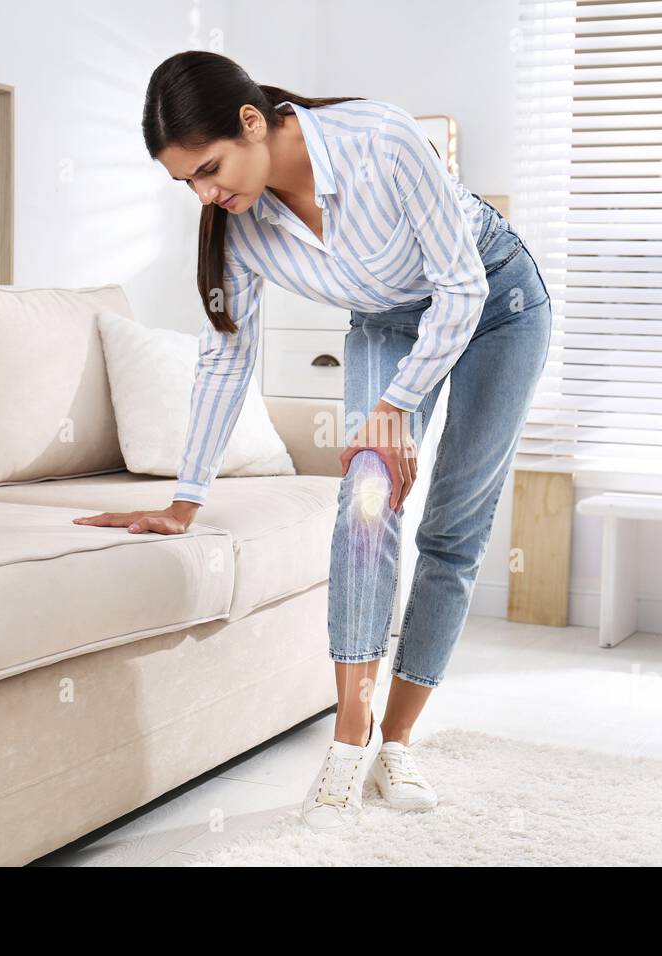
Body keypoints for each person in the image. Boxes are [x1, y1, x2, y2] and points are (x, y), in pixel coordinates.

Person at [73, 50, 552, 833]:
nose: (206, 193)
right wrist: (185, 500)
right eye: (187, 181)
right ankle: (349, 738)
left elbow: (461, 287)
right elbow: (227, 358)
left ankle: (398, 740)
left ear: (254, 122)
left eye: (210, 167)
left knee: (453, 528)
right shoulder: (241, 227)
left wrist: (394, 407)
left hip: (497, 303)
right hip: (391, 324)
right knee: (366, 504)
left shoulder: (381, 139)